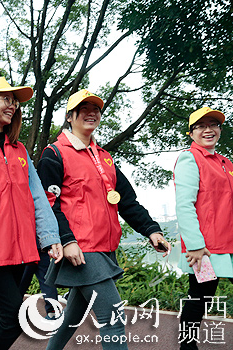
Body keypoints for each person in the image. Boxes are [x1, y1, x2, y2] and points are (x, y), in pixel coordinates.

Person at [38, 89, 171, 350]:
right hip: (82, 249)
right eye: (84, 108)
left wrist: (151, 230)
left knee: (71, 319)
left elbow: (126, 201)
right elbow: (48, 205)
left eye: (96, 109)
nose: (91, 113)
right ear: (70, 116)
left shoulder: (105, 158)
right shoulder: (54, 154)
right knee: (113, 319)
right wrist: (66, 240)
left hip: (104, 248)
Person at [0, 76, 63, 349]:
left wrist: (50, 237)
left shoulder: (19, 149)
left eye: (14, 101)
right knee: (14, 317)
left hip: (21, 249)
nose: (12, 106)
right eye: (6, 99)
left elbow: (37, 197)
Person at [174, 107, 233, 350]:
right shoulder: (190, 158)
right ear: (192, 133)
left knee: (200, 297)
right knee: (200, 298)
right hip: (207, 249)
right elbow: (184, 204)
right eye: (201, 126)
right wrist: (196, 246)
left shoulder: (226, 163)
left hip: (229, 243)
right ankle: (187, 347)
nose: (208, 129)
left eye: (213, 124)